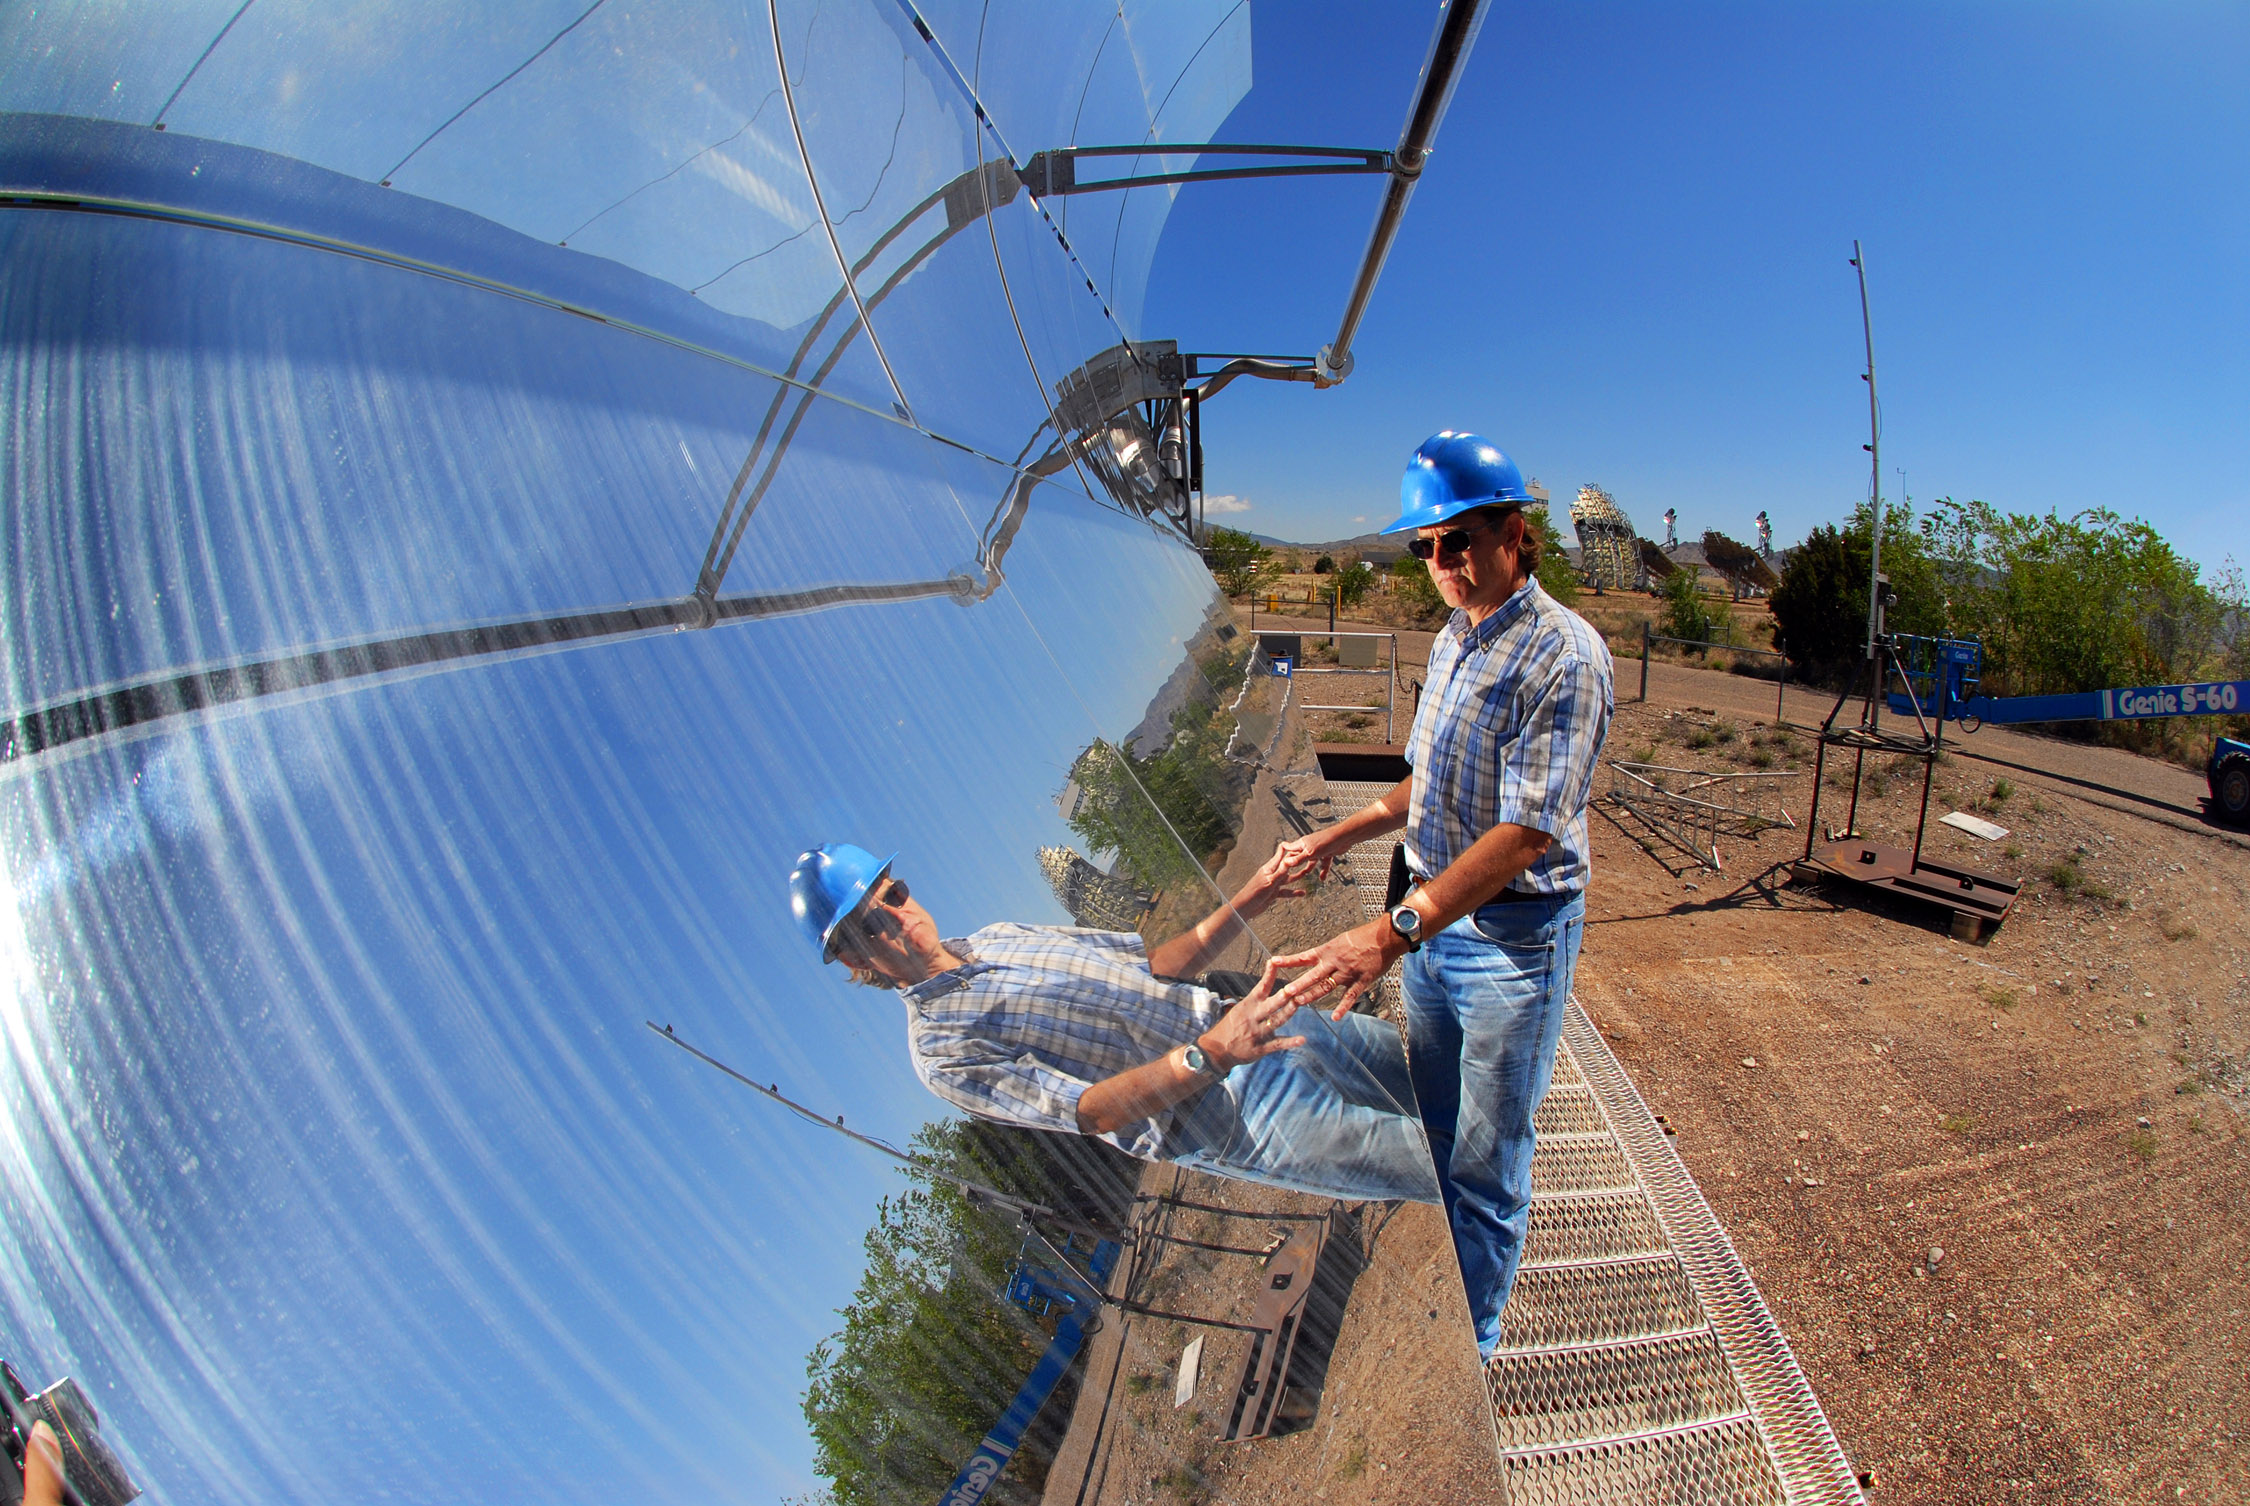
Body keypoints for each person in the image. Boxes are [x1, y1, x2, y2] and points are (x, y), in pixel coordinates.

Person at [1270, 431, 1613, 1362]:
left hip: (1512, 941)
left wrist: (1389, 932)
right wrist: (1334, 835)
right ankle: (1449, 1300)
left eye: (1456, 540)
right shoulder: (1453, 640)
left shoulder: (1565, 656)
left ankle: (1477, 1345)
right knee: (1435, 1121)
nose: (1441, 564)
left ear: (1514, 533)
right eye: (1424, 547)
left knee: (1488, 1160)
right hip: (1433, 932)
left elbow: (1524, 835)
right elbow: (1425, 781)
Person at [788, 841, 1439, 1206]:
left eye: (893, 895)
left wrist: (1249, 899)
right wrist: (1211, 1054)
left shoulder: (998, 936)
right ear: (852, 958)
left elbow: (1152, 966)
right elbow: (1091, 1112)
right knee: (1442, 1164)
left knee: (1438, 1083)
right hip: (1229, 1112)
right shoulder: (941, 1053)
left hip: (1256, 1024)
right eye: (872, 921)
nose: (898, 917)